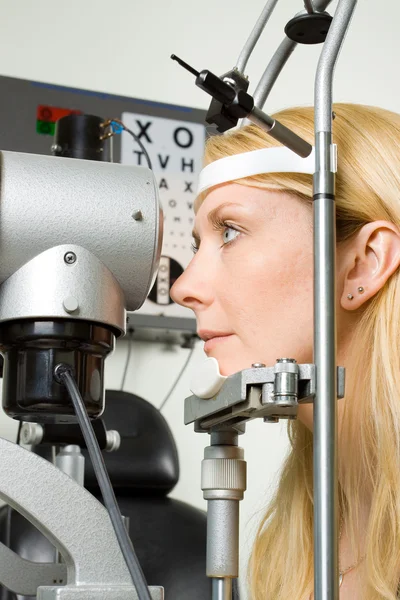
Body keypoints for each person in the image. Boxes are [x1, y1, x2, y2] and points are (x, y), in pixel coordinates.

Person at [170, 103, 400, 600]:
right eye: (198, 242)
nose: (183, 287)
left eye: (229, 231)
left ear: (363, 264)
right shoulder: (293, 540)